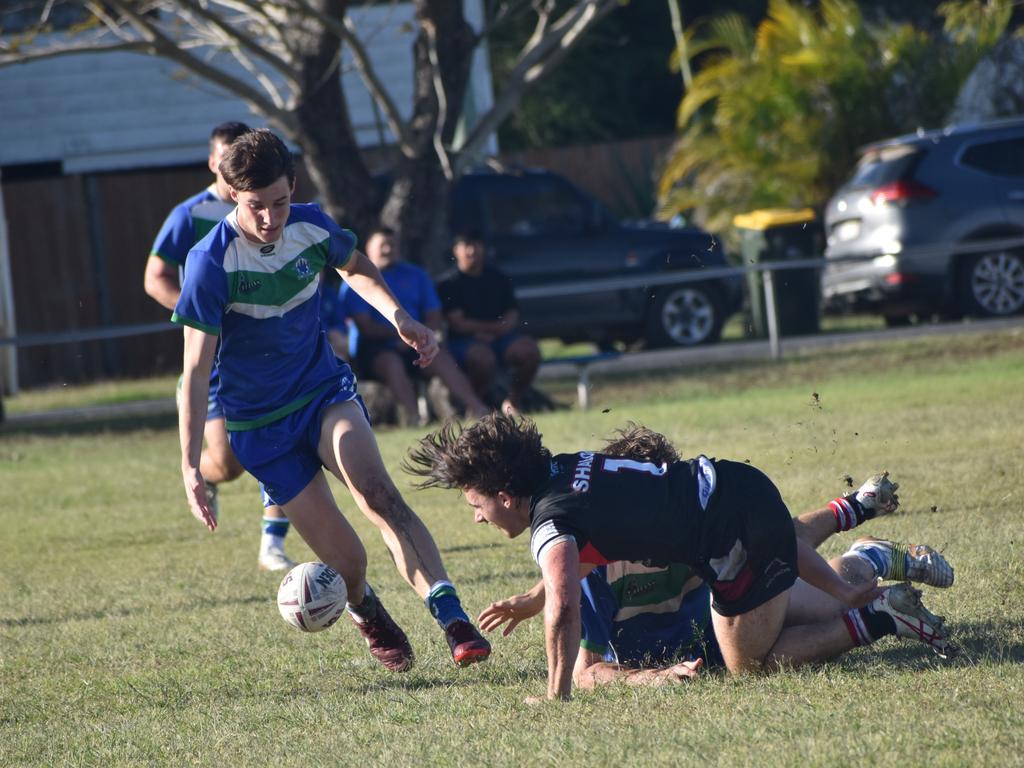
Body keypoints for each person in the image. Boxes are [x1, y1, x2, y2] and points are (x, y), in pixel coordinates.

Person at [171, 128, 491, 671]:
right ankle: (367, 610)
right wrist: (189, 467)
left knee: (377, 494)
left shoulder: (311, 225)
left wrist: (401, 317)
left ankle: (453, 617)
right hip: (259, 430)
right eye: (256, 207)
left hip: (321, 392)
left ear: (294, 186)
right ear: (229, 193)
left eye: (280, 202)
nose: (271, 219)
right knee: (348, 561)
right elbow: (196, 371)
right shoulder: (210, 263)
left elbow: (357, 267)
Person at [405, 414, 952, 700]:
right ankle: (866, 577)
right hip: (738, 481)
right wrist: (842, 589)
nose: (477, 516)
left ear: (505, 494)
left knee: (747, 666)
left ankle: (878, 616)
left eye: (476, 504)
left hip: (725, 541)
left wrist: (556, 697)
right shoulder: (561, 467)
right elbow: (570, 577)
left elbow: (565, 600)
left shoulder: (551, 521)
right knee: (789, 582)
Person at [143, 121, 295, 572]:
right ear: (215, 163)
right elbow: (155, 278)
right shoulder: (189, 217)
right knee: (228, 464)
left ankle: (273, 542)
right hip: (213, 359)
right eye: (229, 158)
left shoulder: (274, 208)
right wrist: (207, 320)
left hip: (266, 353)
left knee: (282, 440)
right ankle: (203, 474)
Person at [341, 228, 489, 426]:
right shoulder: (357, 279)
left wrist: (420, 337)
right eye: (382, 245)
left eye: (392, 245)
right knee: (391, 363)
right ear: (368, 249)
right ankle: (414, 418)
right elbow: (365, 326)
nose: (388, 249)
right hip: (377, 348)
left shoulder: (416, 275)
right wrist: (402, 335)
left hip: (415, 343)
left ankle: (478, 409)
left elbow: (434, 316)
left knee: (441, 358)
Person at [435, 230, 541, 415]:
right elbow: (458, 324)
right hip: (463, 342)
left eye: (476, 244)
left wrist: (493, 332)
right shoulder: (448, 284)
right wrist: (490, 330)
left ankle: (512, 402)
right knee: (483, 359)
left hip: (501, 338)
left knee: (529, 351)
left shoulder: (499, 278)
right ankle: (474, 406)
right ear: (455, 251)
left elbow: (511, 316)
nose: (471, 250)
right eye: (466, 246)